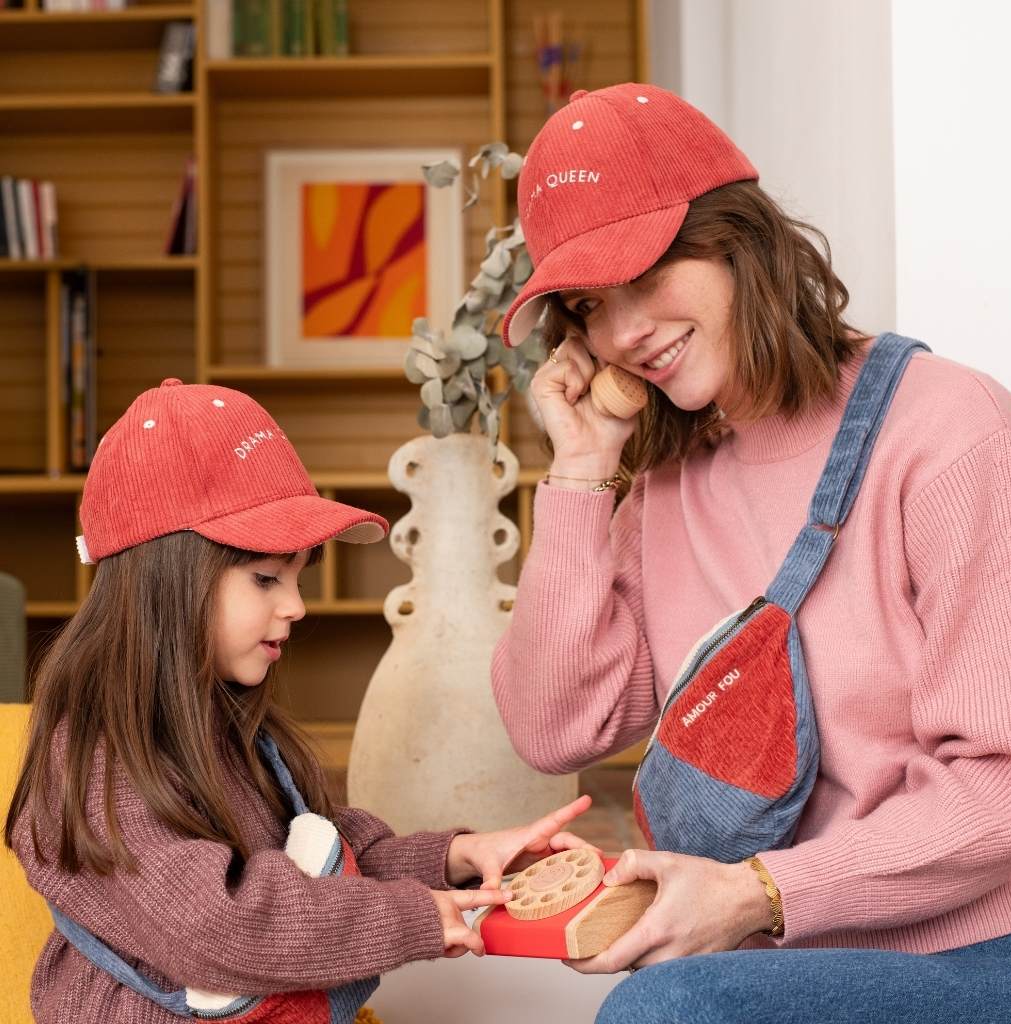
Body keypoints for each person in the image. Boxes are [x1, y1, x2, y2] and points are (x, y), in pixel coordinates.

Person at [492, 82, 1011, 1022]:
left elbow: (1008, 786)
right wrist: (580, 472)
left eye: (646, 273)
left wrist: (760, 893)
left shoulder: (951, 431)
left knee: (667, 1012)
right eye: (588, 305)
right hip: (775, 948)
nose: (622, 335)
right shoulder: (665, 482)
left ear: (740, 239)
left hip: (977, 943)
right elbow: (557, 728)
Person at [4, 378, 594, 1024]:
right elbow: (219, 928)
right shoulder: (97, 759)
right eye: (265, 578)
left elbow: (323, 856)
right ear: (166, 580)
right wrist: (412, 917)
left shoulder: (219, 717)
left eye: (297, 576)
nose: (296, 606)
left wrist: (453, 858)